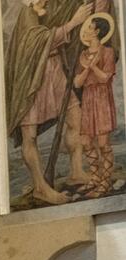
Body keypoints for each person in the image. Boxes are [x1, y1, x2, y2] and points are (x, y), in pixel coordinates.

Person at [5, 0, 100, 205]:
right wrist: (74, 22)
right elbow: (38, 42)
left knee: (76, 118)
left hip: (55, 70)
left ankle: (76, 171)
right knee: (29, 136)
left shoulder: (50, 11)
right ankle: (40, 187)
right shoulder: (26, 14)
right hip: (32, 79)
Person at [74, 12, 118, 197]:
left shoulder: (108, 52)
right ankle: (94, 178)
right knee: (85, 141)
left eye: (90, 28)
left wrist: (92, 66)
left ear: (98, 31)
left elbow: (105, 78)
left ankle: (105, 181)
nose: (86, 31)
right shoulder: (82, 55)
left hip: (101, 98)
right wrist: (86, 69)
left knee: (102, 143)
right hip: (88, 98)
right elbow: (77, 83)